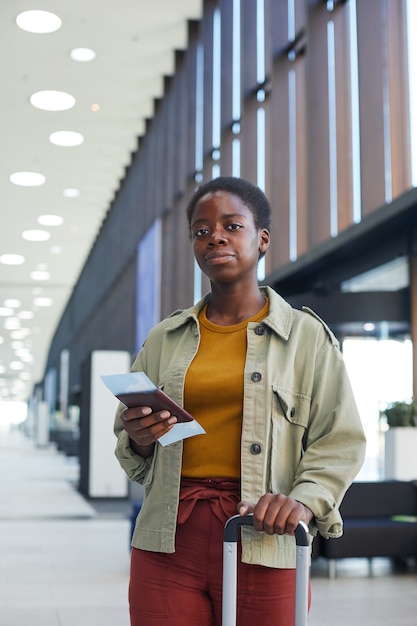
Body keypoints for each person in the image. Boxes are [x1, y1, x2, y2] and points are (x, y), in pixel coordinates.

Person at [114, 176, 366, 626]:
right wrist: (140, 438)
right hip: (168, 538)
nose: (215, 237)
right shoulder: (163, 339)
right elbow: (132, 448)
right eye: (201, 230)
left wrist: (304, 501)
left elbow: (340, 440)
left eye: (232, 226)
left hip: (265, 533)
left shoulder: (307, 339)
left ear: (261, 238)